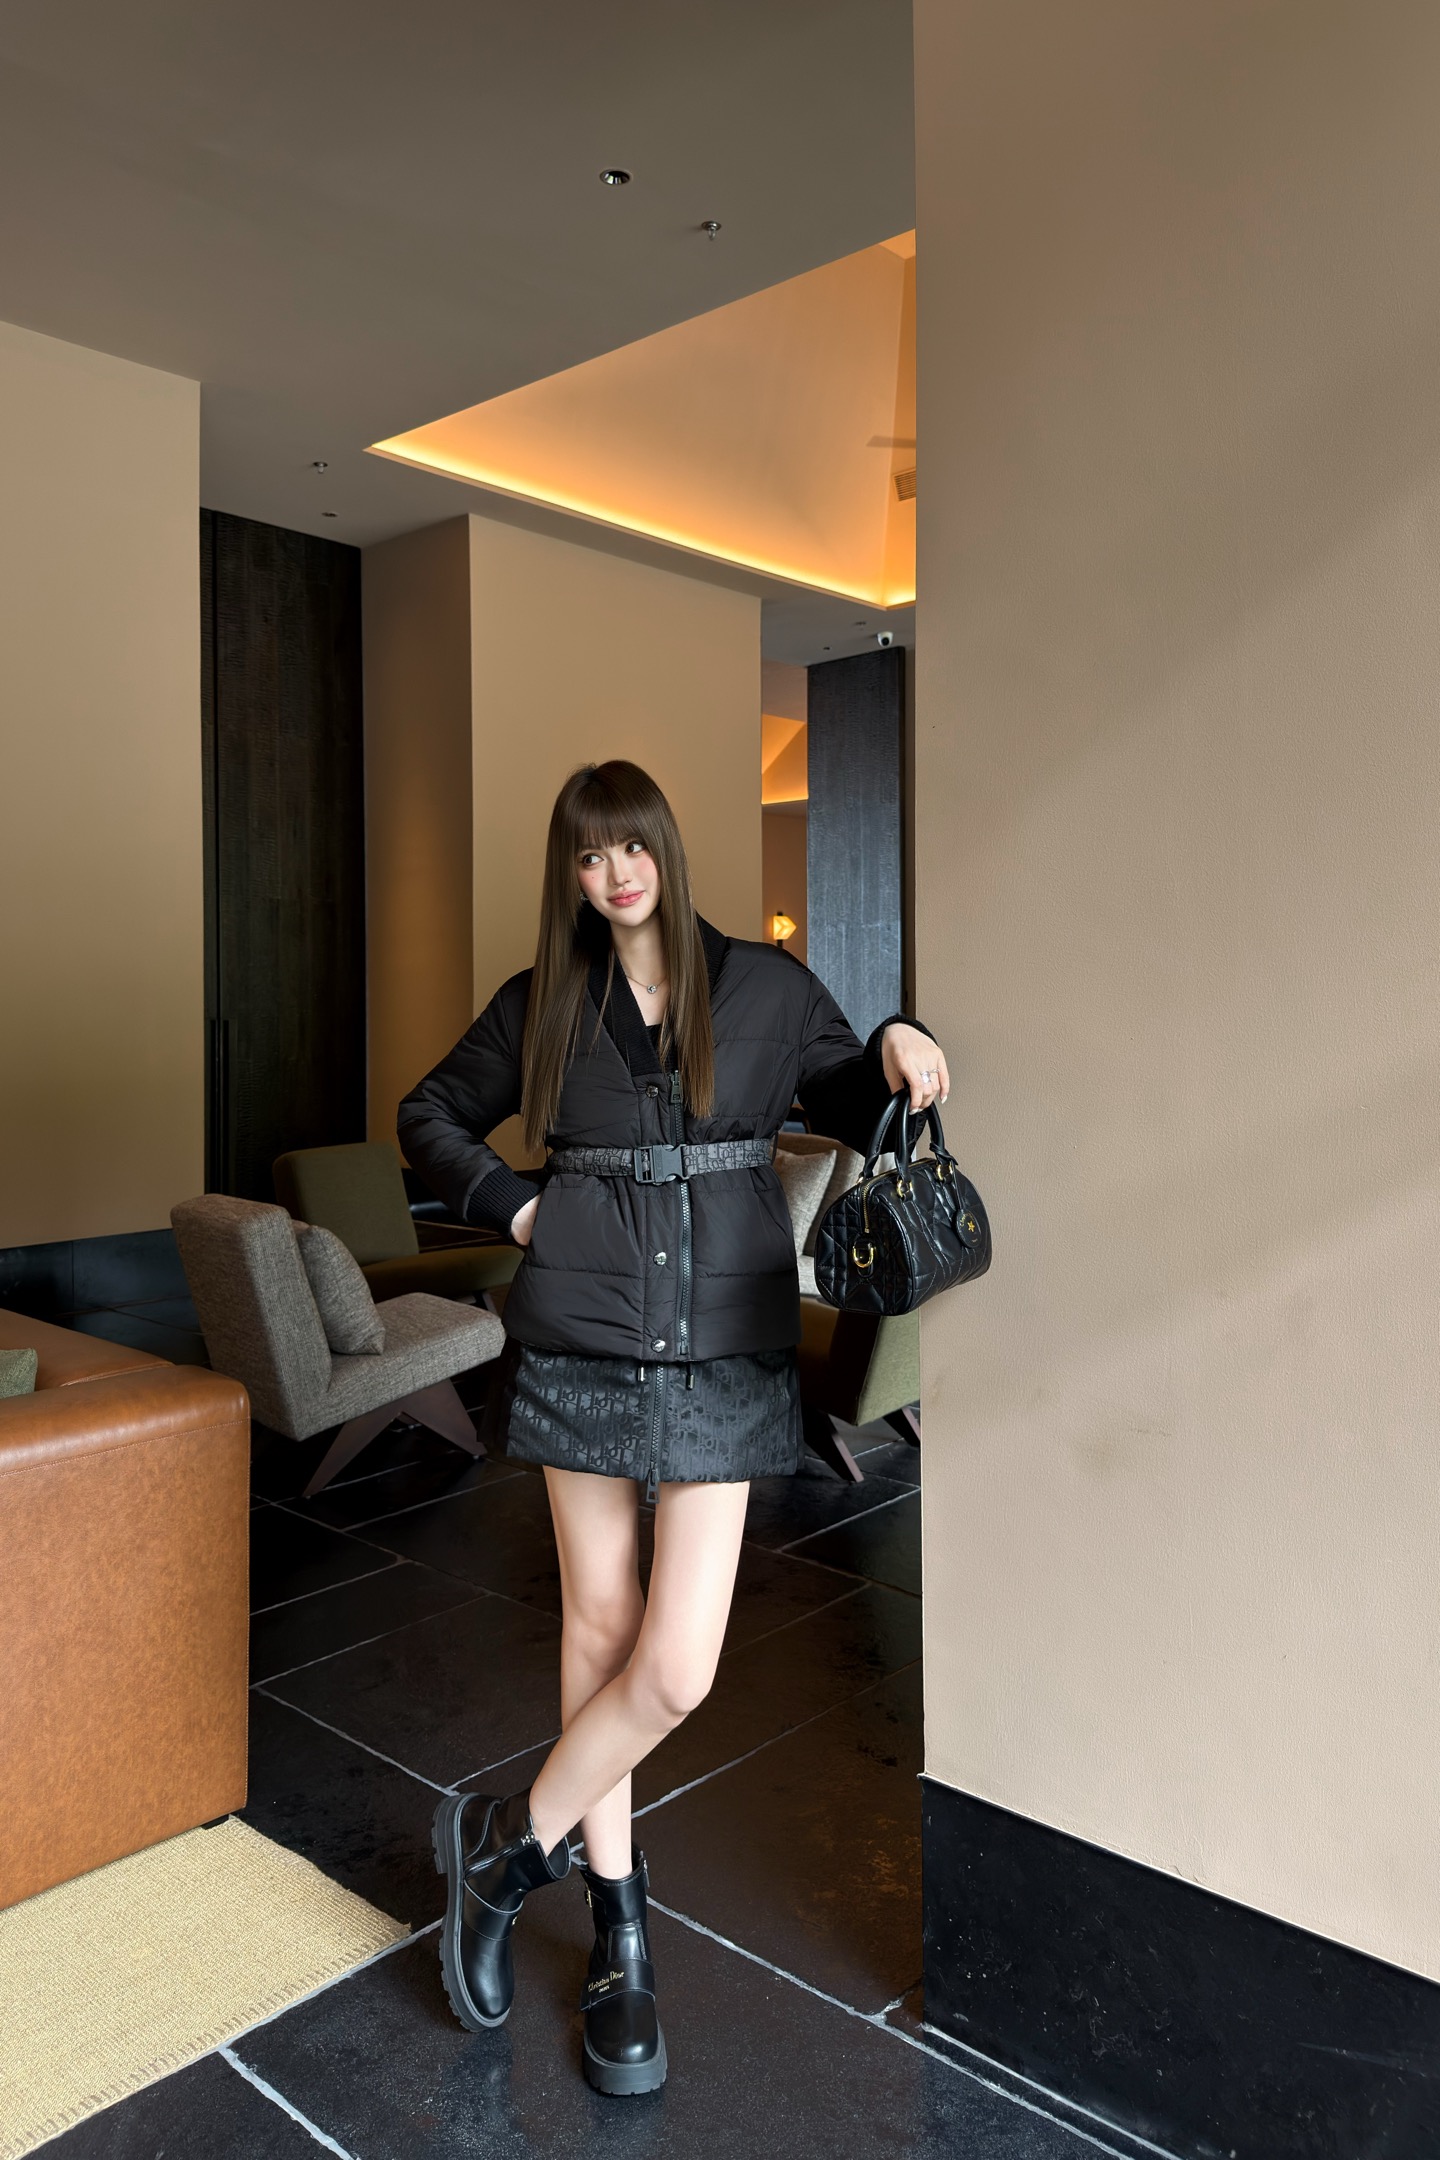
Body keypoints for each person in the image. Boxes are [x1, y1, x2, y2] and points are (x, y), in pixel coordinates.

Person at [398, 759, 946, 2098]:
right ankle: (619, 1929)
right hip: (582, 1331)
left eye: (630, 847)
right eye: (589, 857)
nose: (615, 875)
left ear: (665, 849)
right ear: (571, 876)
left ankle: (507, 1847)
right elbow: (428, 1116)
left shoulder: (765, 987)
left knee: (679, 1667)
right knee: (598, 1627)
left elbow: (849, 1095)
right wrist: (519, 1208)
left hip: (725, 1344)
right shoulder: (542, 1002)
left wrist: (899, 1037)